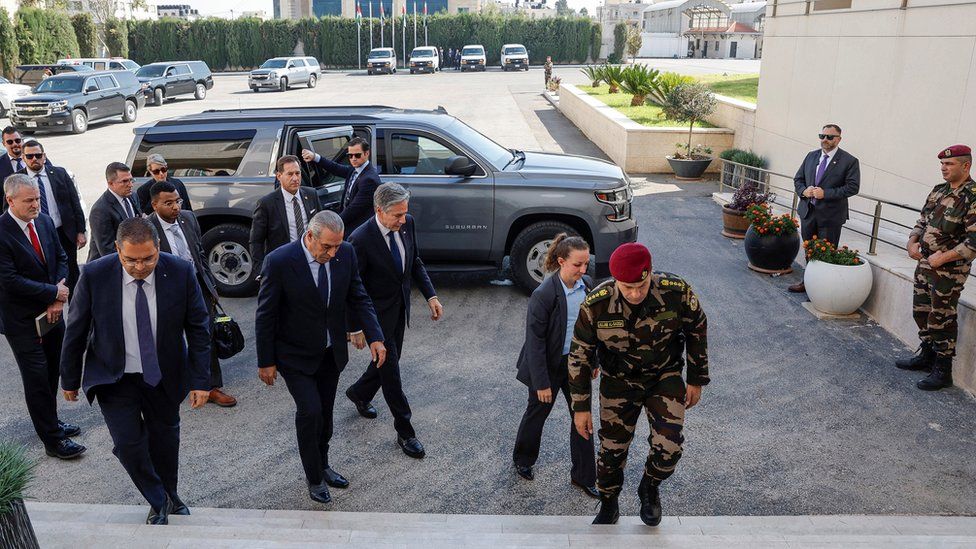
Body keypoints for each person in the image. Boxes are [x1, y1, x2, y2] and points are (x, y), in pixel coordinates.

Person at [61, 218, 212, 526]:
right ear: (117, 250)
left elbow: (198, 329)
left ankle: (170, 493)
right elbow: (75, 330)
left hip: (163, 375)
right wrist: (70, 378)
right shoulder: (94, 275)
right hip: (114, 377)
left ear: (158, 248)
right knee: (128, 444)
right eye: (131, 259)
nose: (140, 267)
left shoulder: (181, 272)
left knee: (165, 441)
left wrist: (201, 380)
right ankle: (158, 499)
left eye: (148, 259)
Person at [569, 242, 709, 526]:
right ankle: (609, 504)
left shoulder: (675, 291)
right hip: (619, 382)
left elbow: (697, 328)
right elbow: (580, 355)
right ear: (615, 280)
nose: (634, 294)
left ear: (651, 273)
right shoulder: (597, 304)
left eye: (641, 286)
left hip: (664, 377)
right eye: (627, 287)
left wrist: (696, 379)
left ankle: (649, 487)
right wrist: (580, 407)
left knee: (669, 448)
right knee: (611, 453)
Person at [255, 210, 386, 505]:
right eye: (327, 247)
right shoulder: (279, 261)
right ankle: (313, 477)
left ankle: (324, 464)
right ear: (310, 237)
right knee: (310, 411)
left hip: (330, 354)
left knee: (325, 416)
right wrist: (265, 361)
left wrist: (375, 336)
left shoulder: (346, 254)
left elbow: (359, 296)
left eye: (337, 246)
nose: (333, 252)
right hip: (294, 356)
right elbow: (265, 315)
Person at [345, 183, 442, 459]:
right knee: (391, 373)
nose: (403, 220)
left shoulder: (406, 224)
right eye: (397, 215)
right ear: (379, 210)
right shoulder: (360, 240)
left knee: (388, 361)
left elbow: (415, 263)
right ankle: (405, 432)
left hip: (399, 310)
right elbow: (353, 289)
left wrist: (430, 296)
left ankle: (359, 392)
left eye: (404, 214)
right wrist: (356, 327)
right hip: (375, 318)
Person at [0, 174, 85, 460]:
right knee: (36, 377)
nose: (36, 204)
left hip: (53, 312)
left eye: (37, 198)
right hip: (22, 320)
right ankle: (53, 440)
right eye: (29, 201)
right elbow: (9, 281)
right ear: (10, 201)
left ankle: (52, 420)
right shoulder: (1, 232)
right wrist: (53, 293)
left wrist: (55, 298)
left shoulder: (45, 221)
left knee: (52, 371)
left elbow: (62, 258)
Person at [512, 233, 597, 498]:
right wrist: (541, 383)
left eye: (586, 264)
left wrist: (593, 361)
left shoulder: (588, 286)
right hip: (548, 366)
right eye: (577, 265)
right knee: (537, 414)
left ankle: (583, 477)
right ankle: (523, 460)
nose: (583, 270)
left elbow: (591, 330)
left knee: (582, 419)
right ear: (561, 261)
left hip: (577, 365)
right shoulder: (544, 294)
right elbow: (534, 342)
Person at [147, 181, 237, 407]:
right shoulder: (147, 228)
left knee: (205, 336)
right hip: (166, 291)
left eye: (177, 201)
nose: (175, 207)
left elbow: (200, 253)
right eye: (168, 203)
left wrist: (212, 287)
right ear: (154, 205)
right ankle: (171, 386)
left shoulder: (189, 218)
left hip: (197, 285)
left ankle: (210, 385)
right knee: (170, 340)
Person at [895, 144, 976, 391]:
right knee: (921, 311)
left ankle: (943, 370)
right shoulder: (939, 190)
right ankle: (926, 356)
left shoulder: (972, 196)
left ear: (966, 165)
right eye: (942, 164)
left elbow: (974, 240)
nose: (944, 168)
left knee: (941, 317)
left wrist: (945, 257)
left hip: (949, 271)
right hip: (925, 263)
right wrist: (911, 241)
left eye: (949, 164)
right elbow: (922, 220)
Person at [789, 124, 861, 293]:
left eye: (830, 137)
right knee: (809, 251)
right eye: (822, 136)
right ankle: (808, 282)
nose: (825, 140)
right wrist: (803, 191)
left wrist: (825, 193)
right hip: (808, 212)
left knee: (826, 253)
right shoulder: (811, 156)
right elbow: (798, 179)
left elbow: (852, 187)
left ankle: (821, 290)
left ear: (839, 139)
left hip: (830, 217)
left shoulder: (849, 161)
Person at [16, 140, 87, 296]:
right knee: (44, 272)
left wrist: (81, 231)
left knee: (71, 271)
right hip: (36, 235)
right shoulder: (17, 180)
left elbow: (75, 203)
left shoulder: (60, 173)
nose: (34, 159)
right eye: (29, 156)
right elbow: (10, 210)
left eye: (38, 155)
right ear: (23, 158)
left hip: (64, 232)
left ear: (44, 156)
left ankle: (75, 307)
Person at [249, 155, 322, 272]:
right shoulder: (267, 203)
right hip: (283, 264)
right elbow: (256, 240)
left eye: (297, 173)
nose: (295, 178)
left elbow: (321, 227)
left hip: (312, 260)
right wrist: (260, 270)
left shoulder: (312, 194)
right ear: (279, 176)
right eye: (290, 174)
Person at [301, 137, 380, 233]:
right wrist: (315, 157)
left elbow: (353, 210)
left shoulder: (369, 180)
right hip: (350, 225)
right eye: (350, 156)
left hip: (358, 229)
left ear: (367, 153)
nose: (353, 159)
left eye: (357, 155)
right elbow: (335, 168)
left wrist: (331, 225)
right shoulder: (355, 169)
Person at [88, 162, 141, 262]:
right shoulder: (100, 210)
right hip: (108, 265)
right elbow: (107, 250)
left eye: (131, 180)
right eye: (124, 181)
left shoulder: (133, 196)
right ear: (110, 183)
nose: (130, 185)